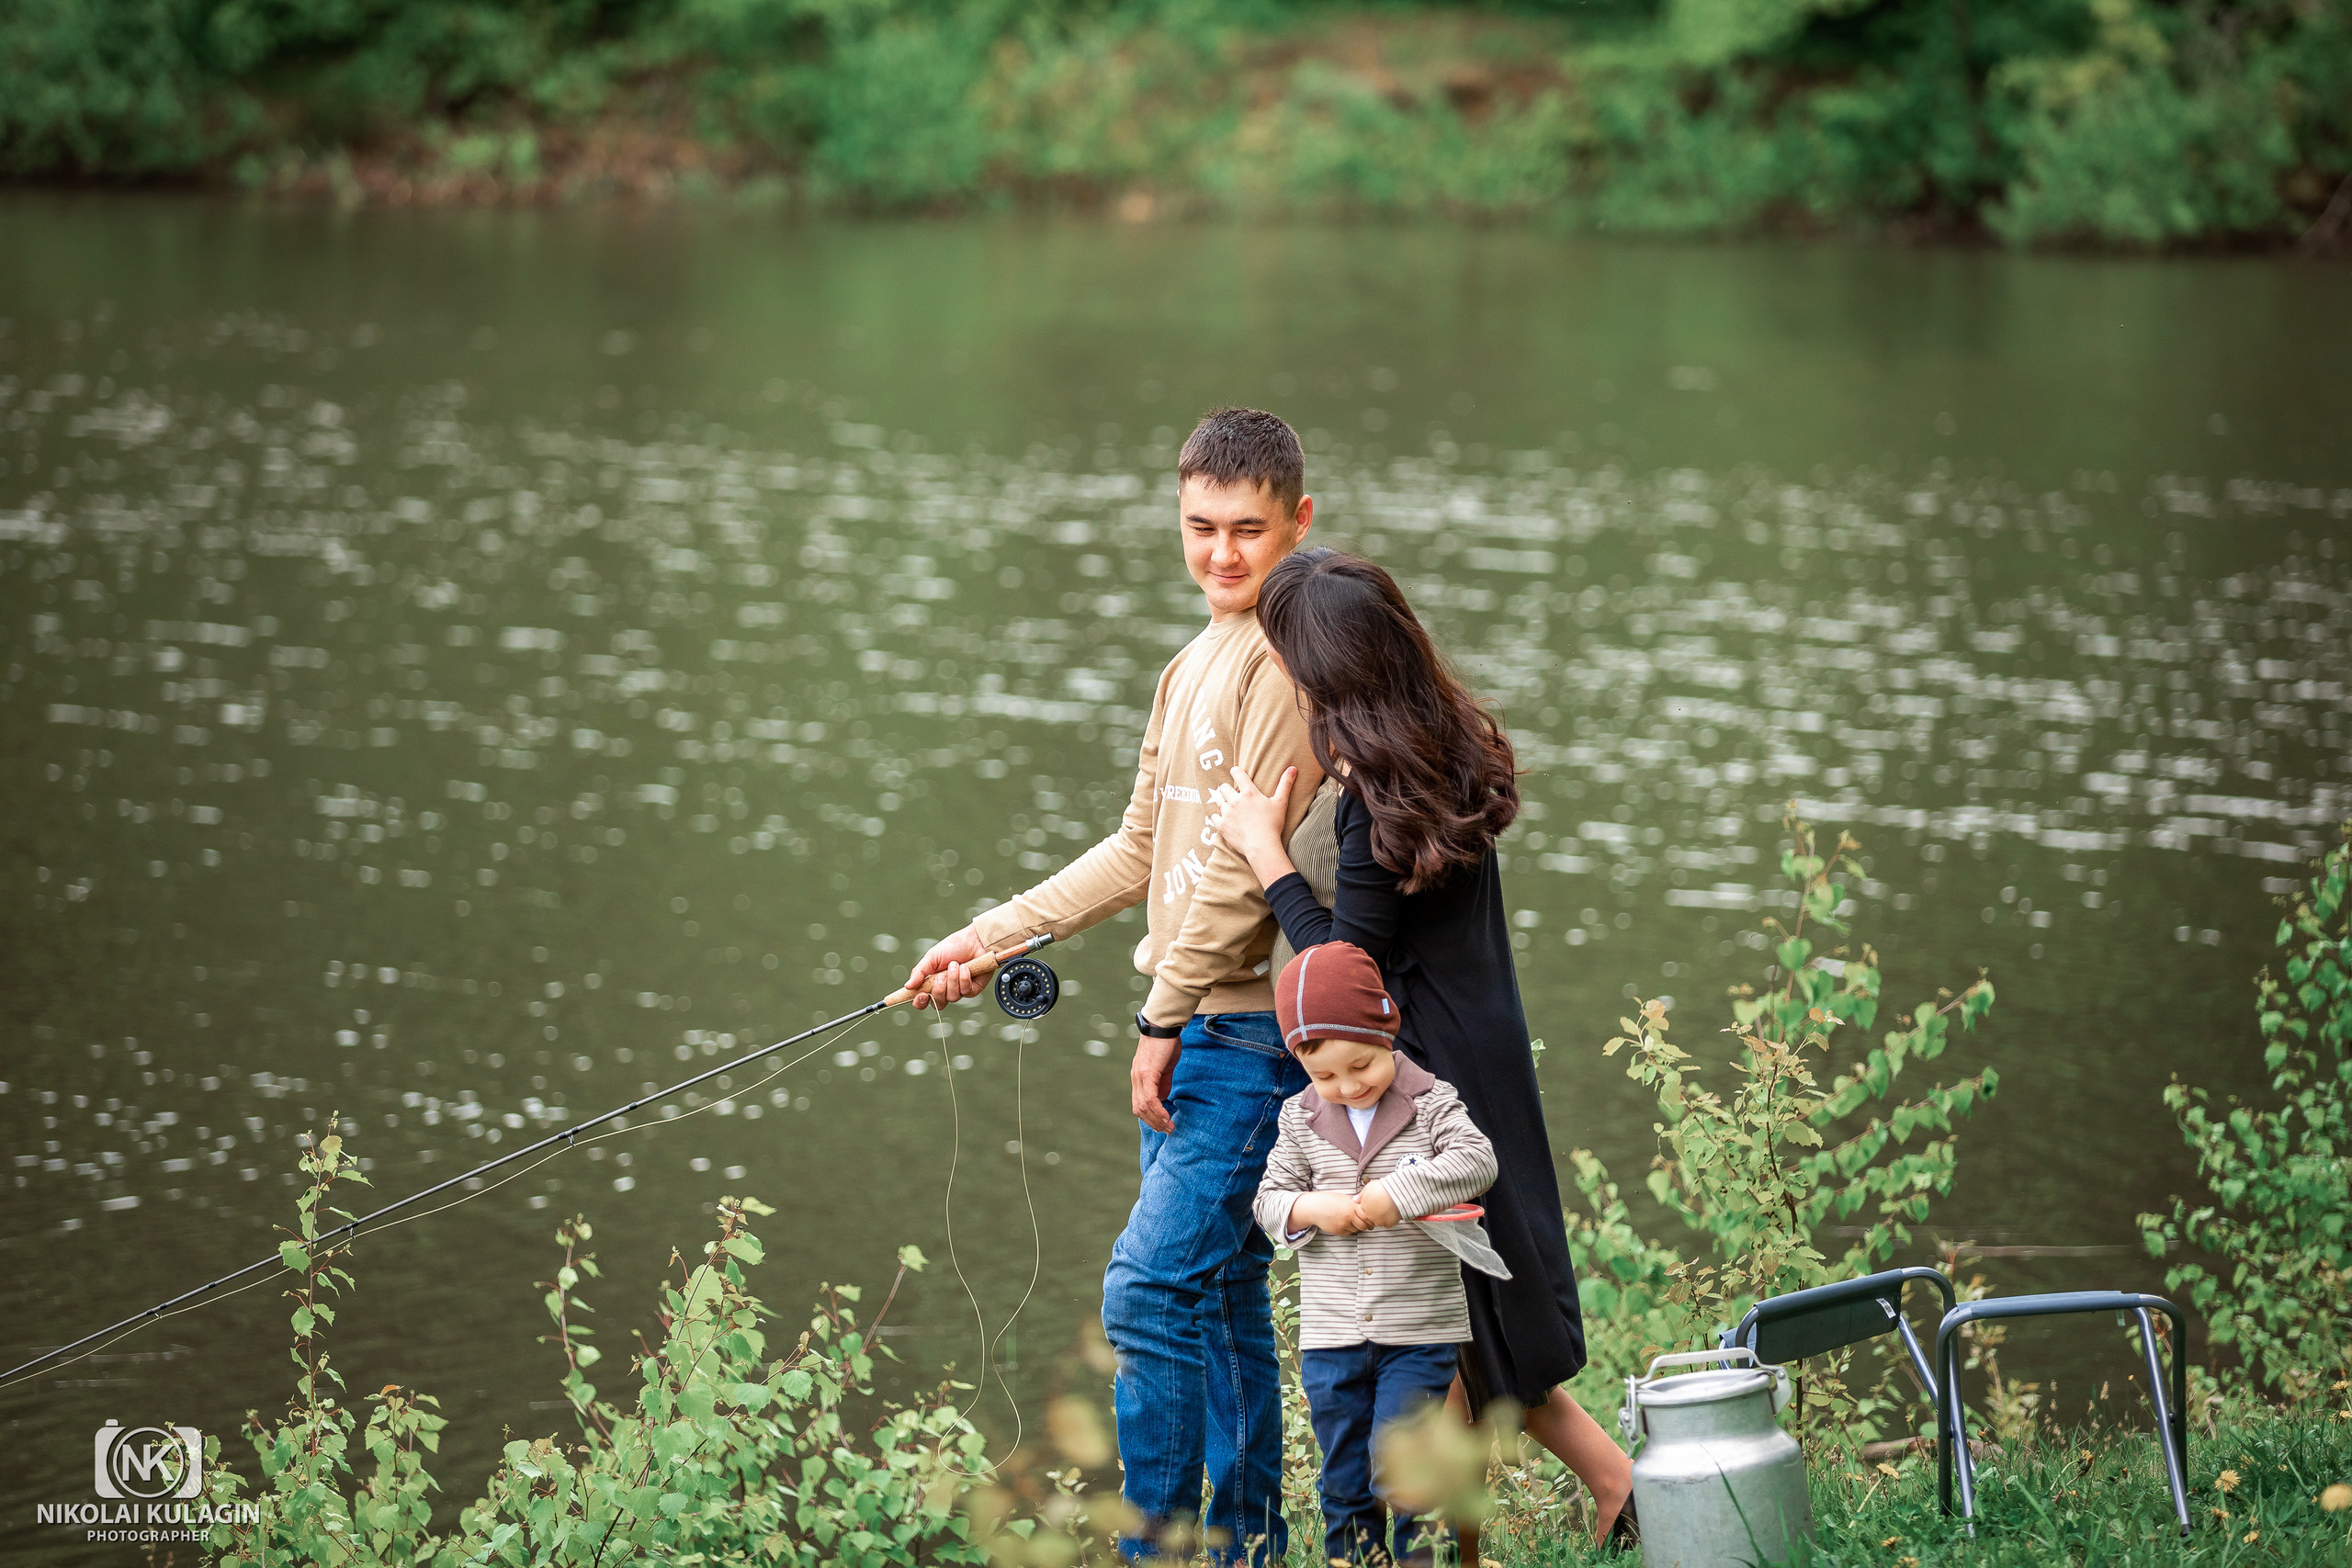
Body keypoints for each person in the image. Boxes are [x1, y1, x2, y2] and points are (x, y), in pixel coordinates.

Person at [904, 408, 1323, 1564]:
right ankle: (1242, 1551)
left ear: (1300, 520)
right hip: (1191, 1035)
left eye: (1248, 529)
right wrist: (987, 938)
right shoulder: (1190, 664)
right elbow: (1142, 848)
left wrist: (1161, 1018)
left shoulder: (1289, 664)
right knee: (1220, 1299)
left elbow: (1249, 873)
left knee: (1145, 1294)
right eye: (1200, 527)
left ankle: (1161, 1553)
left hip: (1246, 1038)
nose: (1223, 554)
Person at [1216, 547, 1639, 1544]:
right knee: (1474, 1307)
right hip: (1481, 1035)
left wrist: (1266, 850)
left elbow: (1344, 978)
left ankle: (1435, 1544)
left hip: (1422, 1068)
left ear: (1326, 672)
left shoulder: (1371, 807)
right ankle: (1613, 1486)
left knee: (1431, 1315)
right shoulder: (1440, 743)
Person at [1253, 941, 1502, 1568]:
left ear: (1385, 1030)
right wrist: (1314, 1209)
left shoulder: (1431, 1101)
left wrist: (1399, 1191)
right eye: (1325, 1076)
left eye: (1361, 1065)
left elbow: (1479, 1161)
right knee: (1343, 1478)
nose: (1347, 1086)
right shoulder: (1299, 1117)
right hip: (1331, 1335)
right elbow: (1268, 1200)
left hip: (1419, 1329)